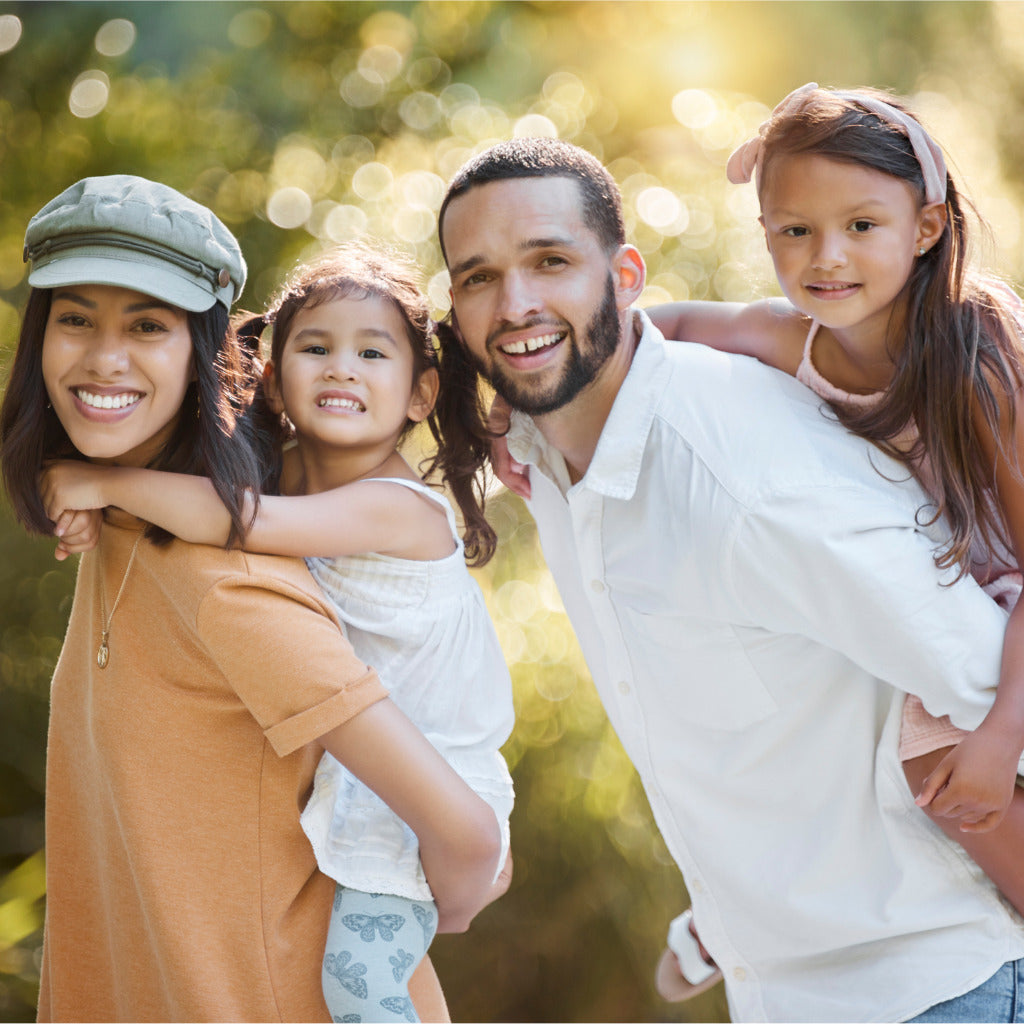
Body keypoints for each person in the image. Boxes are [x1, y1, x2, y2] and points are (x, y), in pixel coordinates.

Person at [434, 136, 1024, 1023]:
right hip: (786, 991)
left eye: (550, 261)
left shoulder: (754, 475)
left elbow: (984, 687)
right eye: (479, 277)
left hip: (936, 989)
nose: (516, 302)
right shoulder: (547, 444)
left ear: (625, 275)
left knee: (951, 732)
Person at [0, 175, 505, 1023]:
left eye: (149, 325)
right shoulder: (135, 517)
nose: (103, 357)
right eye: (74, 316)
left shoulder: (230, 579)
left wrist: (444, 900)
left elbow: (466, 834)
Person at [645, 82, 1024, 920]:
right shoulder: (795, 341)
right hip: (954, 594)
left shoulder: (975, 356)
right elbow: (656, 329)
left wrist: (1003, 732)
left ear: (925, 228)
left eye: (861, 226)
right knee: (925, 763)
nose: (826, 259)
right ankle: (733, 918)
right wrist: (518, 405)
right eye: (796, 231)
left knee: (963, 752)